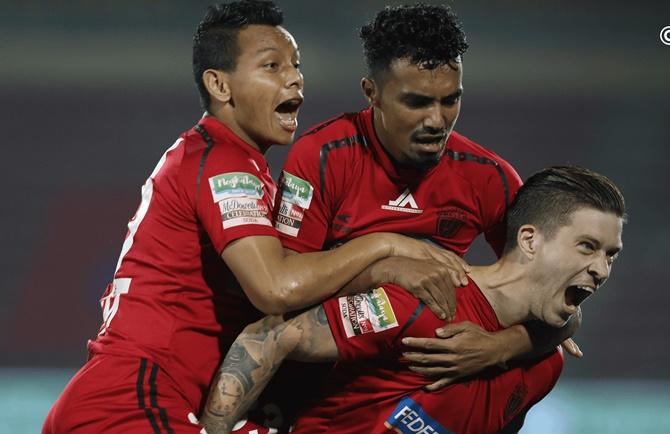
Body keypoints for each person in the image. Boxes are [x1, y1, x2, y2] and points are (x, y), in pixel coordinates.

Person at [42, 2, 467, 433]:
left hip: (151, 401)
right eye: (272, 65)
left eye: (296, 65)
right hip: (132, 404)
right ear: (220, 85)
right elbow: (276, 288)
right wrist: (387, 245)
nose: (294, 77)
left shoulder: (229, 165)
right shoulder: (222, 162)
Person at [224, 4, 582, 432]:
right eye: (416, 102)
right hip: (318, 368)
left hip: (417, 376)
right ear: (371, 92)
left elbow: (559, 304)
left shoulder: (489, 179)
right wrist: (385, 267)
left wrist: (500, 347)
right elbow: (282, 293)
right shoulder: (323, 156)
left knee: (540, 362)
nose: (437, 120)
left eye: (451, 100)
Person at [201, 166, 626, 434]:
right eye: (587, 247)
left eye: (611, 255)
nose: (602, 270)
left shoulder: (545, 365)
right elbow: (268, 339)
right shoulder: (426, 299)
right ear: (530, 240)